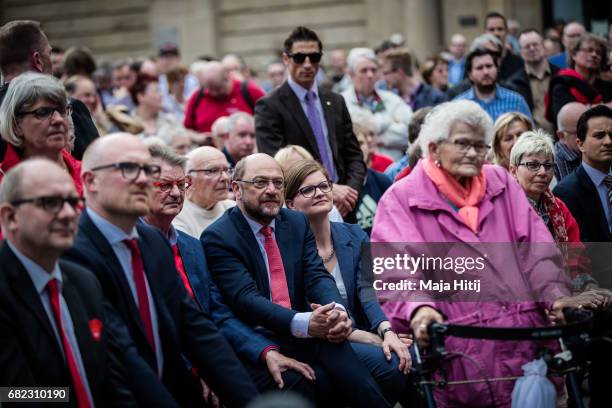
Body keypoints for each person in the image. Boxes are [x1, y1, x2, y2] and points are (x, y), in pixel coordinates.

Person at [372, 100, 574, 407]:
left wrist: (555, 294)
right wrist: (419, 310)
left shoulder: (501, 182)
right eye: (463, 143)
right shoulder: (401, 199)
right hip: (461, 351)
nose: (473, 153)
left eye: (480, 145)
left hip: (527, 340)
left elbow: (537, 250)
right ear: (434, 148)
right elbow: (397, 271)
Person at [63, 134, 259, 407]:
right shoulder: (71, 253)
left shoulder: (154, 242)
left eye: (148, 170)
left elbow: (195, 327)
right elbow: (121, 353)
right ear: (90, 181)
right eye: (128, 169)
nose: (143, 179)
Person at [201, 153, 392, 408]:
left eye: (278, 183)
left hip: (308, 333)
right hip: (260, 336)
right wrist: (306, 323)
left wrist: (337, 312)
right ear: (236, 189)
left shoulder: (295, 221)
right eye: (260, 183)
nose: (271, 190)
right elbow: (246, 299)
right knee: (315, 381)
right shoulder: (219, 236)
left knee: (376, 375)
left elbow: (316, 275)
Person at [142, 143, 317, 400]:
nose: (177, 193)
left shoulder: (191, 247)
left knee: (306, 379)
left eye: (182, 184)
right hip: (163, 365)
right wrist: (194, 369)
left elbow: (217, 313)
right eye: (165, 185)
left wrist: (265, 351)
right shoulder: (133, 247)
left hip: (214, 351)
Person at [0, 159, 136, 406]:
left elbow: (114, 383)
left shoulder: (84, 282)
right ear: (10, 217)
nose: (67, 214)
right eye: (50, 203)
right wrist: (66, 394)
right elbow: (12, 395)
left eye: (73, 202)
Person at [284, 159, 411, 404]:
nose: (320, 193)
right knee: (391, 365)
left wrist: (386, 331)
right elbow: (309, 312)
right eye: (308, 190)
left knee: (409, 356)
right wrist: (365, 337)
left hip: (365, 328)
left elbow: (368, 290)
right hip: (322, 341)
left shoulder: (354, 233)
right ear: (290, 203)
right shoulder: (289, 247)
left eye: (324, 185)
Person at [255, 26, 366, 221]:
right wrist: (326, 188)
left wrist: (350, 193)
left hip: (345, 206)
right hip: (302, 210)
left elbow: (354, 155)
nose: (307, 64)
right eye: (299, 57)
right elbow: (276, 163)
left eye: (314, 57)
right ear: (286, 59)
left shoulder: (335, 101)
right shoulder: (270, 106)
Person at [508, 130, 598, 291]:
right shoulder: (504, 208)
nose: (542, 172)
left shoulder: (558, 207)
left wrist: (587, 285)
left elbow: (576, 256)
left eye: (548, 166)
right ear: (513, 171)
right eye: (533, 165)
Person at [0, 19, 99, 160]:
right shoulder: (70, 109)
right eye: (49, 53)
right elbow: (95, 165)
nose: (57, 119)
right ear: (38, 60)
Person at [0, 72, 82, 195]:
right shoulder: (3, 183)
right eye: (43, 112)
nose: (58, 119)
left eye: (62, 110)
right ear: (16, 125)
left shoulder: (88, 173)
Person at [342, 47, 413, 160]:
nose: (370, 75)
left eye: (373, 70)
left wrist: (378, 138)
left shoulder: (393, 99)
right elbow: (347, 139)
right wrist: (390, 122)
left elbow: (410, 132)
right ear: (351, 74)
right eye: (364, 70)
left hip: (394, 169)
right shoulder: (342, 102)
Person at [554, 105, 612, 242]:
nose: (608, 142)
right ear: (580, 144)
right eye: (599, 136)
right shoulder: (566, 193)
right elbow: (584, 251)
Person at [547, 33, 612, 124]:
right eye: (589, 50)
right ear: (574, 54)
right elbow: (566, 119)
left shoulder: (608, 86)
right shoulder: (562, 84)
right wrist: (605, 107)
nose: (594, 55)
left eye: (599, 52)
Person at [184, 61, 265, 133]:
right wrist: (198, 138)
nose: (214, 93)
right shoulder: (197, 96)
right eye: (210, 89)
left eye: (218, 88)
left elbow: (268, 118)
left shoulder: (249, 91)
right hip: (208, 148)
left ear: (227, 77)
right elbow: (187, 129)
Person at [454, 48, 532, 122]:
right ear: (470, 75)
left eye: (489, 66)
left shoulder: (516, 102)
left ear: (497, 69)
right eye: (479, 68)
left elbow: (529, 134)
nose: (486, 72)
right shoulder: (459, 105)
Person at [173, 146, 235, 238]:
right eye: (213, 171)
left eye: (226, 170)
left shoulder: (232, 209)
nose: (225, 177)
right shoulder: (177, 216)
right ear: (189, 180)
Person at [508, 29, 560, 133]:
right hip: (530, 142)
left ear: (544, 47)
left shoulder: (561, 76)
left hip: (560, 139)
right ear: (521, 52)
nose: (532, 49)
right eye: (527, 46)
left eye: (535, 44)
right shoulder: (513, 83)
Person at [351, 120, 393, 235]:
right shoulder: (336, 189)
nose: (357, 149)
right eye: (351, 144)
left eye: (360, 143)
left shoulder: (382, 181)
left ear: (368, 146)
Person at [381, 48, 447, 111]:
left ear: (400, 72)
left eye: (386, 73)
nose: (384, 78)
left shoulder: (436, 98)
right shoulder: (391, 99)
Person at [483, 12, 524, 80]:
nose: (496, 33)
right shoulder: (475, 63)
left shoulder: (519, 63)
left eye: (500, 29)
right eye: (491, 30)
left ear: (507, 32)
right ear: (485, 32)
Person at [554, 102, 588, 180]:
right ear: (561, 135)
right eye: (579, 132)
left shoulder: (597, 151)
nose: (587, 136)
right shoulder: (552, 164)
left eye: (590, 130)